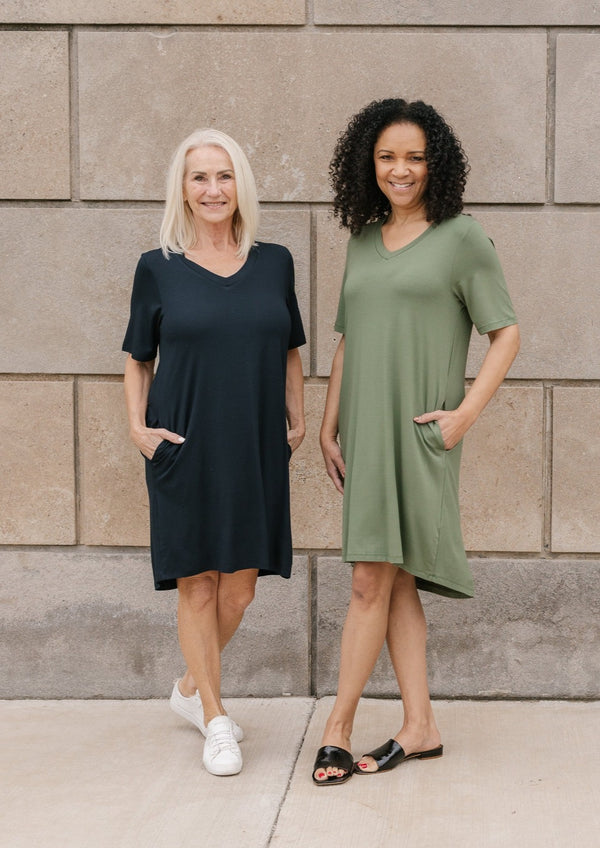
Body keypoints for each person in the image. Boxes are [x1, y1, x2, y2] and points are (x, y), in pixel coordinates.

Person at [312, 99, 520, 785]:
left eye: (415, 157)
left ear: (437, 164)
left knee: (369, 577)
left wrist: (464, 415)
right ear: (367, 164)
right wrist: (328, 423)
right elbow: (349, 338)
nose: (400, 170)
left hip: (420, 433)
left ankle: (336, 729)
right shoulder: (363, 240)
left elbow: (506, 333)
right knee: (392, 578)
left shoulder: (463, 239)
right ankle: (421, 725)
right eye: (387, 157)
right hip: (365, 431)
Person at [122, 129, 306, 776]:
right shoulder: (158, 267)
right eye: (199, 177)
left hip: (255, 445)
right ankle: (216, 717)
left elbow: (289, 347)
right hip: (185, 443)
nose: (212, 189)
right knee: (197, 584)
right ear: (183, 189)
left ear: (241, 186)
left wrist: (298, 419)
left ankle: (189, 687)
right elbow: (138, 358)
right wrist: (137, 428)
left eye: (224, 176)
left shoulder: (275, 262)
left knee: (241, 591)